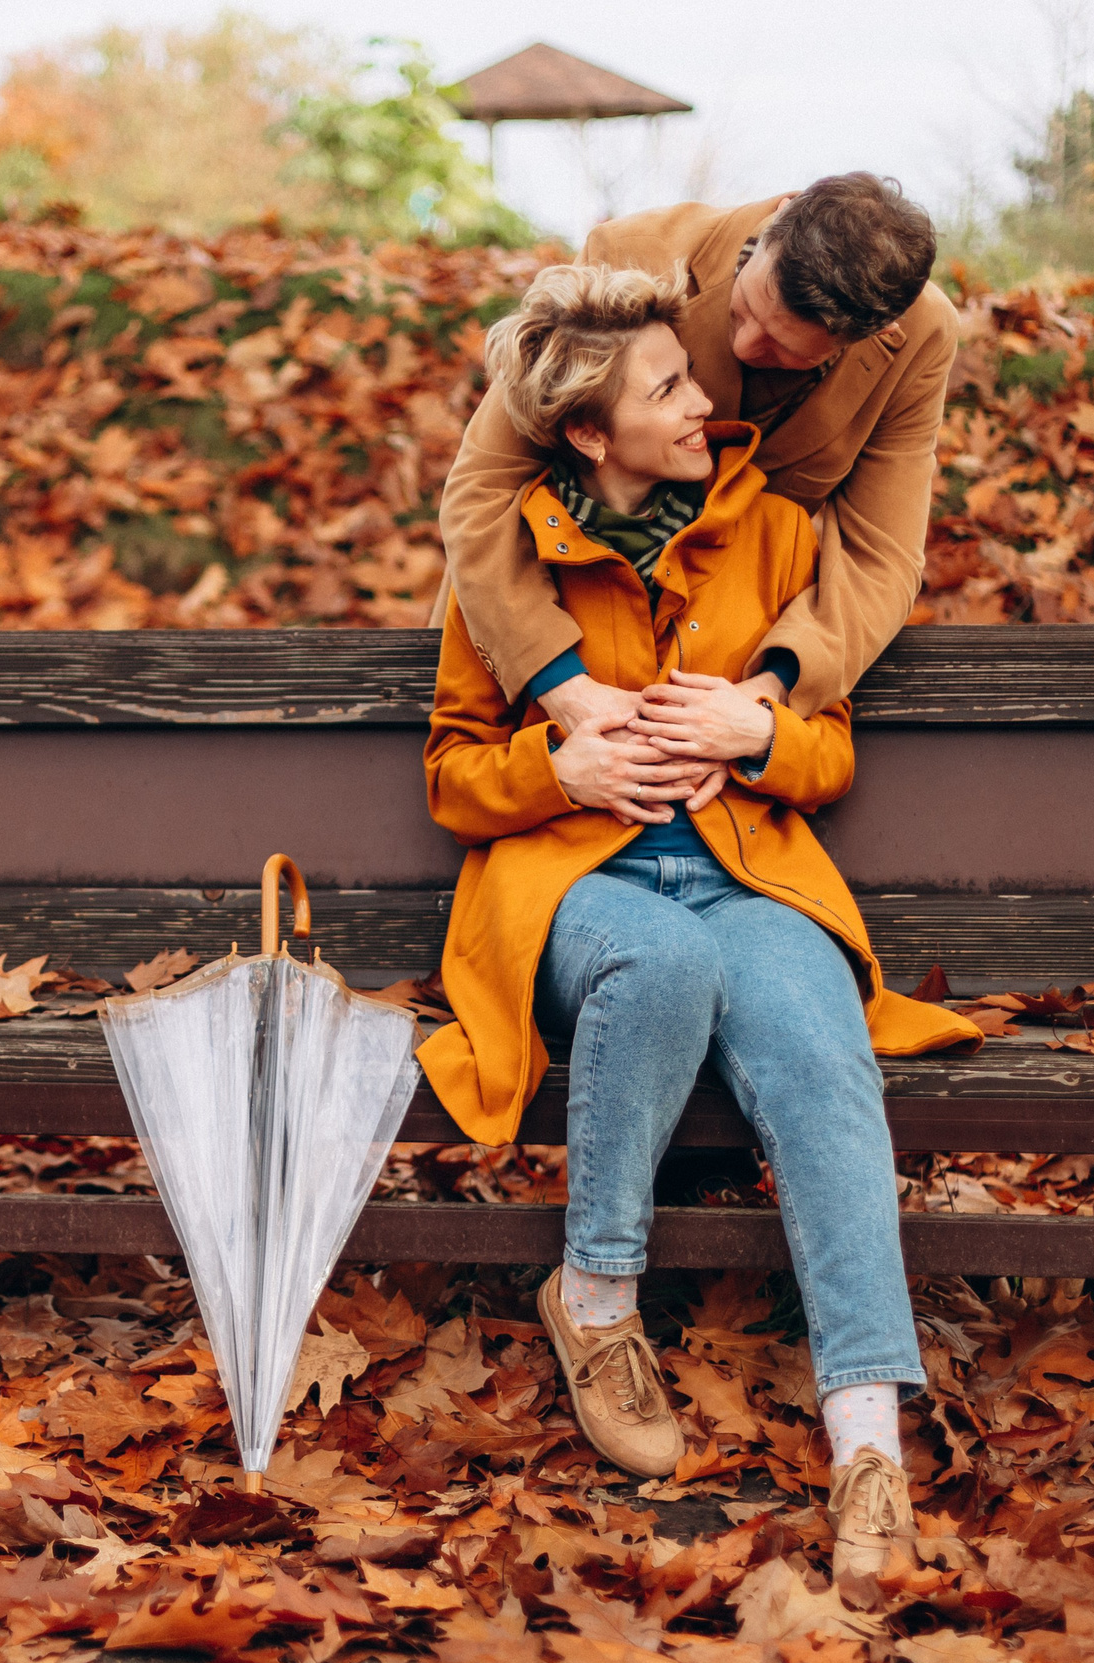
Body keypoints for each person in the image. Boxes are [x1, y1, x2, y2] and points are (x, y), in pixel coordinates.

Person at [415, 262, 979, 1587]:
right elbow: (450, 774)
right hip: (578, 892)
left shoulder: (775, 533)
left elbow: (827, 749)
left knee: (824, 1047)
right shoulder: (504, 569)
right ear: (588, 436)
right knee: (658, 960)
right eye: (669, 386)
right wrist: (559, 772)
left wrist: (763, 731)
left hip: (752, 879)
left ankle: (868, 1445)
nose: (708, 402)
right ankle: (596, 1297)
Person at [431, 174, 949, 815]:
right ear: (775, 225)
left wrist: (765, 697)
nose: (742, 348)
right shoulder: (635, 255)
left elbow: (882, 556)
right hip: (542, 632)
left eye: (784, 352)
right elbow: (484, 490)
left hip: (730, 695)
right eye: (746, 310)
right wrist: (562, 686)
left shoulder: (919, 340)